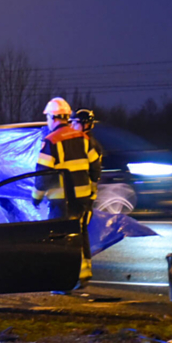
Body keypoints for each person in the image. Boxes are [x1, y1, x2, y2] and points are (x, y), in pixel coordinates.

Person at [33, 97, 101, 283]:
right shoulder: (84, 138)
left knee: (59, 238)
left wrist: (36, 197)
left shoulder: (51, 141)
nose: (47, 121)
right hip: (82, 198)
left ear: (53, 117)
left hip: (61, 200)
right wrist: (90, 192)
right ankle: (84, 272)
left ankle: (62, 280)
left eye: (47, 117)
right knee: (80, 233)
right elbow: (95, 168)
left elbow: (43, 174)